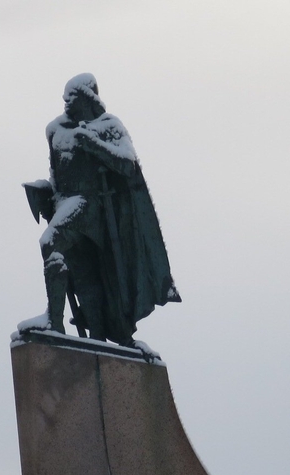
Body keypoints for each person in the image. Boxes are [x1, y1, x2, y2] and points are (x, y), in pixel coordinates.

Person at [23, 73, 181, 345]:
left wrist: (94, 144)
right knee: (84, 275)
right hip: (65, 203)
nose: (67, 102)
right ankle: (96, 335)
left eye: (73, 97)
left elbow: (127, 164)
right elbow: (56, 174)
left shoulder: (108, 125)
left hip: (92, 205)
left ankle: (55, 321)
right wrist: (45, 194)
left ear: (88, 98)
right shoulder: (55, 130)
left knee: (51, 242)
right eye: (65, 97)